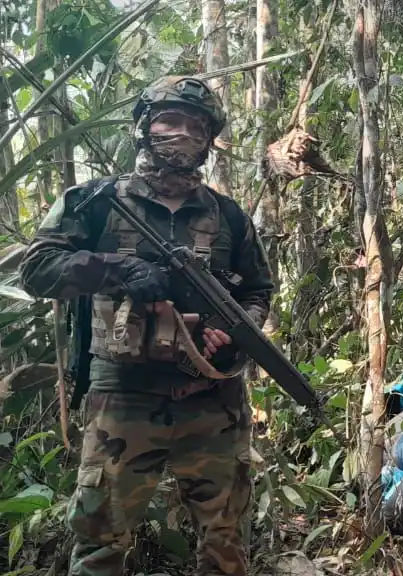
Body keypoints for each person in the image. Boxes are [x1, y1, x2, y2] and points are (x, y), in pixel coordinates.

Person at [19, 76, 273, 576]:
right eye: (169, 121)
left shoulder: (228, 215)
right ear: (144, 127)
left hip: (212, 398)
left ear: (207, 140)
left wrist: (231, 336)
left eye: (194, 127)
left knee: (226, 542)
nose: (181, 134)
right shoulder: (94, 201)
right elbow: (37, 270)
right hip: (123, 395)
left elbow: (258, 290)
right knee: (100, 539)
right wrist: (117, 269)